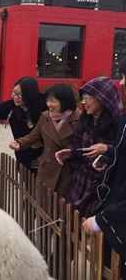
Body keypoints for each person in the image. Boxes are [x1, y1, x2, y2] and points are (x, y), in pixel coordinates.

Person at [55, 77, 123, 214]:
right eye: (83, 97)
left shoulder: (119, 122)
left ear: (103, 98)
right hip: (81, 181)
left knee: (92, 228)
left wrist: (107, 150)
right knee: (72, 221)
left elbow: (122, 153)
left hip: (103, 186)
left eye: (88, 97)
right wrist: (71, 151)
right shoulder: (85, 118)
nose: (83, 102)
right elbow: (78, 144)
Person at [83, 60, 126, 275]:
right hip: (110, 199)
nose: (122, 81)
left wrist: (103, 220)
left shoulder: (118, 119)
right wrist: (109, 155)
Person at [9, 84, 80, 199]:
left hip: (67, 171)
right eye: (47, 100)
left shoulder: (79, 119)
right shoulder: (46, 117)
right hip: (46, 168)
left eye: (53, 101)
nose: (49, 105)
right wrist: (20, 142)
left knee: (61, 209)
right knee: (43, 204)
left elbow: (81, 145)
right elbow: (34, 136)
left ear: (65, 101)